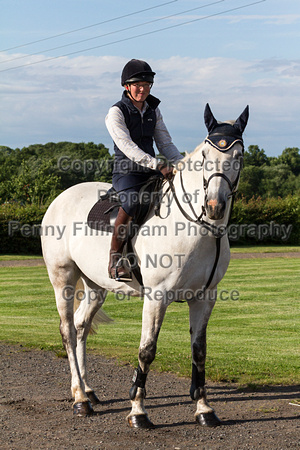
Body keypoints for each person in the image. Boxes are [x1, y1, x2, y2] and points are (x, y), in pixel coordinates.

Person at [105, 58, 183, 281]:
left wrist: (181, 165)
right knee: (132, 202)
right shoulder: (116, 113)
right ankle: (115, 259)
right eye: (138, 85)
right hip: (126, 172)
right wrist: (157, 164)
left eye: (147, 85)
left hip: (151, 171)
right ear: (126, 86)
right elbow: (127, 147)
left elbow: (165, 143)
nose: (142, 89)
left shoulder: (153, 110)